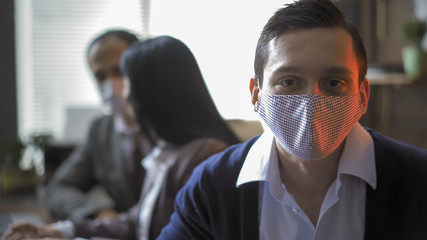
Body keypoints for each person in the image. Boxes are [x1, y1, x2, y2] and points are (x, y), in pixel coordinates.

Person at [157, 0, 427, 239]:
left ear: (362, 95)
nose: (311, 101)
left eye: (334, 82)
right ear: (256, 94)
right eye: (289, 81)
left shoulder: (419, 179)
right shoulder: (212, 186)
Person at [1, 36, 240, 240]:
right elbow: (138, 220)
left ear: (155, 87)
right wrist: (60, 230)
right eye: (101, 77)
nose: (120, 93)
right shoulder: (166, 151)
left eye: (124, 78)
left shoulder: (206, 155)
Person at [44, 29, 153, 221]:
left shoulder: (169, 125)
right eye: (101, 77)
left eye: (118, 71)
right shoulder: (101, 131)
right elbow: (57, 189)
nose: (111, 84)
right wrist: (98, 213)